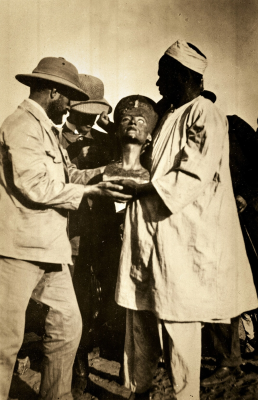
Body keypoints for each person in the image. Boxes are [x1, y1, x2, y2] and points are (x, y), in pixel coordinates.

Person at [114, 40, 258, 400]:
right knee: (140, 323)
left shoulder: (204, 114)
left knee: (180, 330)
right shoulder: (168, 117)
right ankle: (138, 391)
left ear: (183, 75)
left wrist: (137, 187)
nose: (159, 83)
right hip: (149, 241)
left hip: (180, 244)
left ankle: (185, 396)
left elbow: (189, 177)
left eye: (164, 75)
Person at [0, 57, 131, 400]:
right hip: (17, 250)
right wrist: (89, 191)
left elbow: (68, 175)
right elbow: (37, 186)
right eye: (69, 97)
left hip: (49, 250)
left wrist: (105, 173)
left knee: (68, 328)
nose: (73, 105)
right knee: (5, 343)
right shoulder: (21, 125)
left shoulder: (46, 129)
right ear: (53, 92)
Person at [200, 91, 258, 387]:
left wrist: (246, 195)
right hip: (210, 224)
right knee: (220, 287)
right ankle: (228, 360)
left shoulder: (234, 127)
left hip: (247, 222)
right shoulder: (185, 132)